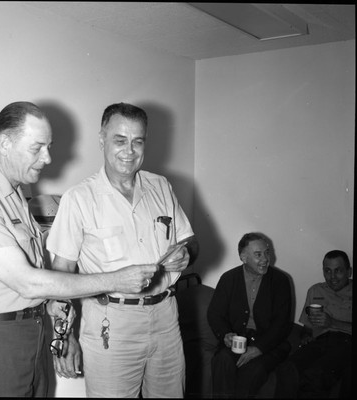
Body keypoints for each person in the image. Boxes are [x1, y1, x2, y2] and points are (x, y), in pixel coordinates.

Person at [0, 101, 157, 397]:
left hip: (32, 334)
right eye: (37, 148)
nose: (47, 157)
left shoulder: (16, 195)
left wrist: (51, 307)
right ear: (5, 143)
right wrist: (116, 280)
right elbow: (26, 281)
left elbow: (26, 282)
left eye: (48, 146)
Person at [46, 102, 199, 398]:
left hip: (167, 318)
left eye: (137, 141)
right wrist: (63, 338)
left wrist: (187, 253)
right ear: (102, 139)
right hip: (111, 324)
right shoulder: (79, 198)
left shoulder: (161, 186)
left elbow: (190, 240)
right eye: (119, 140)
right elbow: (60, 276)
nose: (129, 151)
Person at [207, 232, 292, 398]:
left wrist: (259, 349)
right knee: (222, 360)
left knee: (253, 370)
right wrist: (225, 334)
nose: (266, 259)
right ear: (243, 257)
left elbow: (282, 324)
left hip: (269, 345)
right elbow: (214, 314)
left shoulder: (280, 281)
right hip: (238, 341)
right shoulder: (229, 279)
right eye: (258, 254)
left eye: (267, 252)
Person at [274, 250, 352, 398]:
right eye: (327, 271)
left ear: (349, 272)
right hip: (319, 342)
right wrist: (306, 336)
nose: (332, 277)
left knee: (315, 375)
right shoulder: (316, 290)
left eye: (338, 271)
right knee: (286, 369)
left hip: (346, 344)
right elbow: (307, 328)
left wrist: (333, 322)